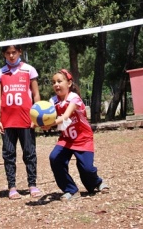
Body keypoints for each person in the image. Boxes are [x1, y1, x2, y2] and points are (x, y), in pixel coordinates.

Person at [42, 69, 109, 201]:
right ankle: (71, 190)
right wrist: (38, 122)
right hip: (66, 139)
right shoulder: (52, 101)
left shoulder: (74, 98)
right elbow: (46, 115)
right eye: (53, 82)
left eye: (59, 81)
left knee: (87, 169)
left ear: (69, 83)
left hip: (82, 138)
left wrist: (51, 123)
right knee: (55, 158)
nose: (56, 84)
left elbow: (66, 116)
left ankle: (97, 183)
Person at [0, 45, 42, 200]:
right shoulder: (1, 73)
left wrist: (37, 117)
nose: (11, 55)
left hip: (26, 121)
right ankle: (12, 187)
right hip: (7, 122)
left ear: (20, 52)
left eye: (14, 52)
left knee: (29, 153)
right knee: (8, 154)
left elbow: (36, 94)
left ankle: (32, 185)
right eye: (8, 53)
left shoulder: (29, 70)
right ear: (4, 54)